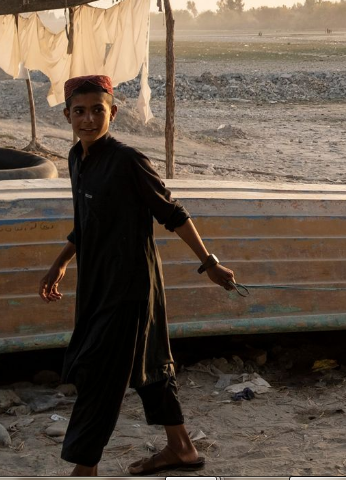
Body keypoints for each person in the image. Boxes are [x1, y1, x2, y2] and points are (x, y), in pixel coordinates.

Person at [40, 75, 237, 477]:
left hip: (131, 283)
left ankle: (85, 468)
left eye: (98, 110)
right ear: (67, 115)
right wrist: (61, 260)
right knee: (148, 363)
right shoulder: (77, 159)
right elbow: (87, 222)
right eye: (80, 111)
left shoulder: (128, 161)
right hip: (96, 281)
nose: (89, 119)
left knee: (99, 371)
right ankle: (181, 448)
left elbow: (174, 214)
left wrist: (209, 262)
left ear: (113, 111)